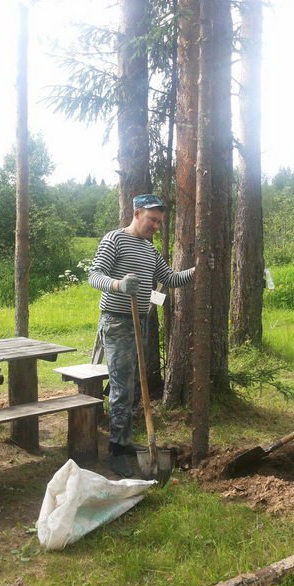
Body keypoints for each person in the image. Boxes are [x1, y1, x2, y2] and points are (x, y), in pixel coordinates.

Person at [88, 194, 197, 478]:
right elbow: (94, 275)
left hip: (140, 323)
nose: (156, 226)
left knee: (134, 386)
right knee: (122, 388)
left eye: (160, 222)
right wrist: (118, 283)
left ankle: (124, 441)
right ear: (137, 214)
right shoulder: (114, 239)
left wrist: (197, 272)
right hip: (117, 322)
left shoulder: (149, 251)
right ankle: (116, 450)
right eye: (152, 220)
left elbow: (170, 278)